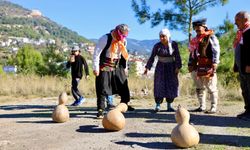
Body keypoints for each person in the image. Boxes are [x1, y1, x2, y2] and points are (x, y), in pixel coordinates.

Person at [93, 24, 134, 119]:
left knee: (123, 85)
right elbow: (96, 53)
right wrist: (96, 68)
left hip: (117, 65)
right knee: (102, 86)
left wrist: (125, 68)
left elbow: (123, 55)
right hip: (105, 64)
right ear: (116, 31)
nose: (122, 38)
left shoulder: (124, 41)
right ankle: (100, 109)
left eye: (124, 36)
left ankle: (124, 105)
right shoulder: (105, 38)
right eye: (121, 35)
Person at [144, 28, 182, 112]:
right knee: (159, 85)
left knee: (171, 85)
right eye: (160, 36)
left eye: (163, 36)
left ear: (168, 36)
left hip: (171, 68)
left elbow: (177, 56)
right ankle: (158, 105)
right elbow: (152, 57)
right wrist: (147, 67)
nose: (161, 38)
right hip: (160, 68)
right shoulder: (157, 46)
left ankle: (169, 105)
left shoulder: (173, 44)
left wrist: (177, 67)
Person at [188, 18, 220, 114]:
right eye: (195, 28)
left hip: (208, 64)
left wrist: (215, 62)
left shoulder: (210, 37)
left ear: (204, 27)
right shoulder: (194, 40)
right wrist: (190, 63)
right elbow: (192, 52)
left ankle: (213, 107)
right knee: (199, 87)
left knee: (211, 86)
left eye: (199, 27)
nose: (197, 29)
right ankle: (202, 106)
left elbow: (216, 50)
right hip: (196, 66)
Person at [233, 11, 250, 120]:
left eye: (237, 20)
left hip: (248, 67)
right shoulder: (241, 33)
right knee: (245, 90)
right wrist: (236, 65)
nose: (235, 23)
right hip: (241, 67)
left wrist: (249, 64)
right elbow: (238, 50)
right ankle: (248, 110)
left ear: (245, 20)